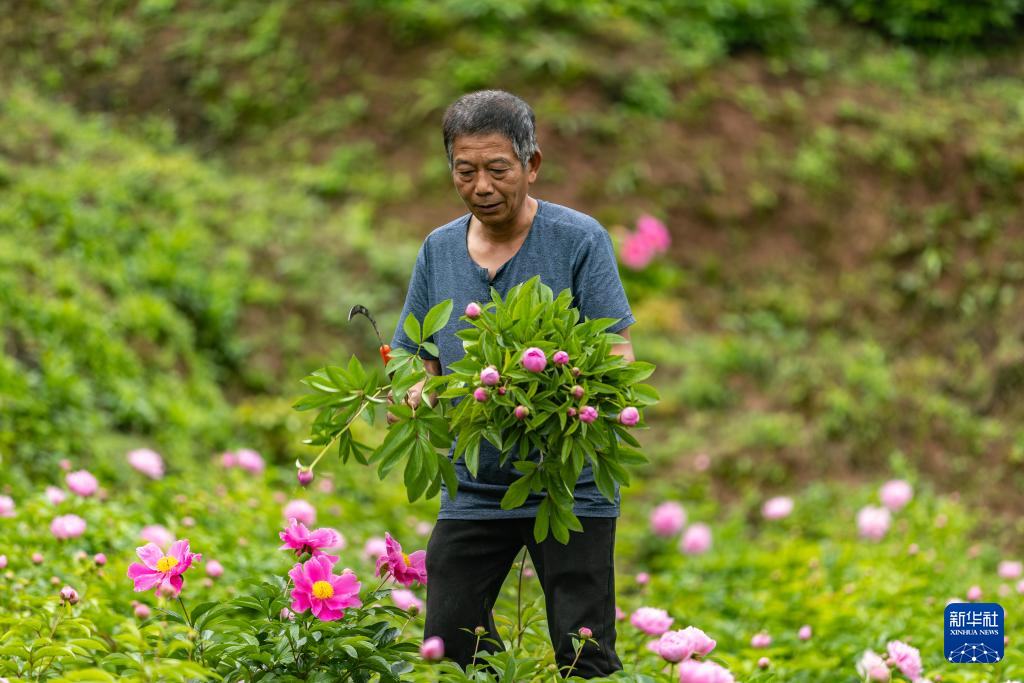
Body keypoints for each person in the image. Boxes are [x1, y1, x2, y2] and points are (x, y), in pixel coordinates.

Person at [388, 89, 636, 678]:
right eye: (464, 170)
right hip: (475, 483)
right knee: (450, 639)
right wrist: (413, 390)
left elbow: (619, 354)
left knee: (585, 650)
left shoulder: (579, 240)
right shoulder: (438, 249)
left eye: (498, 169)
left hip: (566, 485)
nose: (481, 186)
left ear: (532, 164)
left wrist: (567, 391)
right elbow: (411, 352)